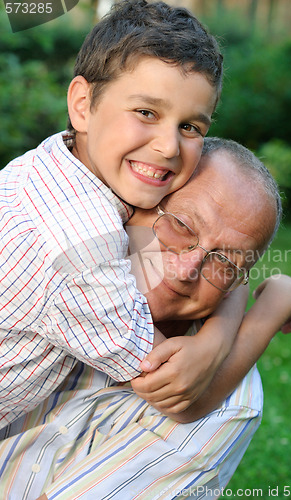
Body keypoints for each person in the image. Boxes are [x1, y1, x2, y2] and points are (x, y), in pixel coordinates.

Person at [0, 139, 291, 500]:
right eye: (181, 226)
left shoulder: (228, 402)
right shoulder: (60, 260)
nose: (186, 270)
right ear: (133, 206)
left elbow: (193, 401)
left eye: (224, 262)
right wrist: (270, 305)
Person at [0, 0, 223, 429]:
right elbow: (178, 391)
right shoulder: (83, 245)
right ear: (83, 105)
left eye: (191, 127)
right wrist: (267, 306)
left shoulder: (54, 161)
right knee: (238, 395)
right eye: (146, 112)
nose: (169, 147)